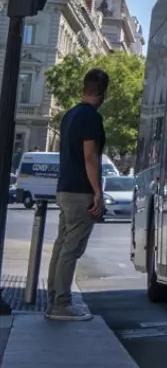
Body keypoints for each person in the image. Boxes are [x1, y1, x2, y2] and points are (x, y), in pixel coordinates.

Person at [47, 67, 110, 321]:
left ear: (84, 89)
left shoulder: (70, 115)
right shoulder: (92, 118)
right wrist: (98, 192)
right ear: (103, 93)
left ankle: (54, 299)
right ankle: (62, 303)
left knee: (61, 245)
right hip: (80, 191)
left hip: (64, 187)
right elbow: (90, 157)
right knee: (71, 249)